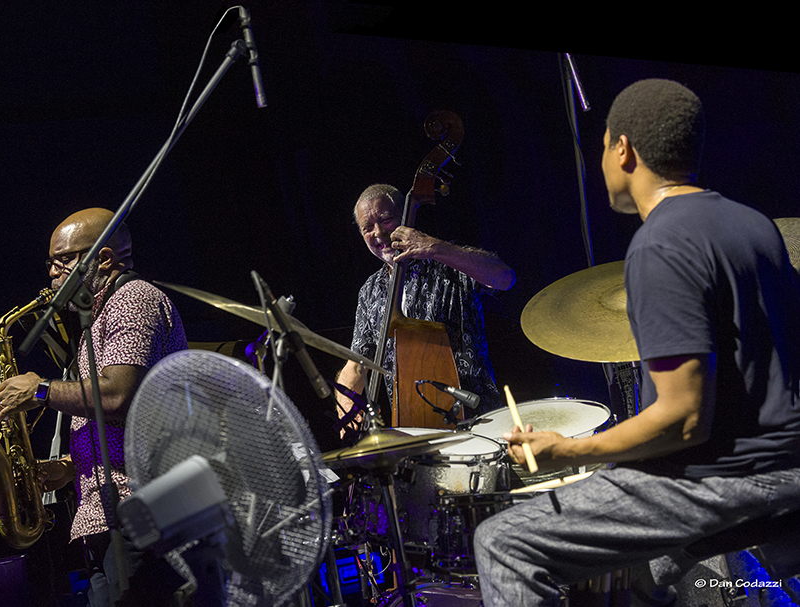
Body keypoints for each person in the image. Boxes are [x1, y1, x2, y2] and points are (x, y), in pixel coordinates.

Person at [473, 79, 800, 606]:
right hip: (786, 468)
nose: (600, 158)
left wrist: (569, 449)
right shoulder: (755, 226)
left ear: (622, 149)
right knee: (651, 572)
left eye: (601, 145)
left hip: (720, 482)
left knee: (503, 541)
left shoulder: (661, 242)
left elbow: (683, 419)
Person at [0, 207, 190, 606]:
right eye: (50, 263)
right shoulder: (95, 318)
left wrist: (42, 389)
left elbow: (118, 396)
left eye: (62, 261)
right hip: (109, 518)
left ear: (104, 257)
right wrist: (70, 468)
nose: (52, 273)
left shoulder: (132, 299)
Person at [335, 183, 515, 433]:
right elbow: (358, 362)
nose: (378, 233)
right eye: (367, 228)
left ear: (406, 217)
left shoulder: (447, 262)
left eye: (386, 220)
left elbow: (504, 277)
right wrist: (347, 409)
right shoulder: (370, 290)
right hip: (413, 430)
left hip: (477, 420)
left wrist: (434, 248)